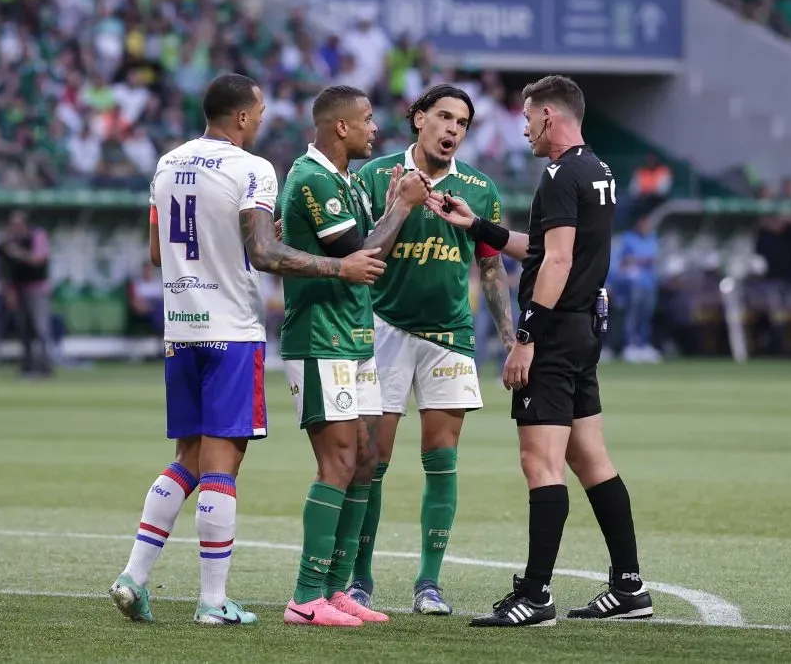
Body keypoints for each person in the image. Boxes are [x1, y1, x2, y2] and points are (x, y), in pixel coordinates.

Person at [108, 74, 386, 627]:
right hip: (231, 329)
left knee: (189, 456)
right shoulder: (253, 168)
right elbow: (262, 253)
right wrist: (339, 266)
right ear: (240, 117)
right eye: (258, 112)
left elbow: (158, 252)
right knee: (222, 462)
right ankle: (213, 602)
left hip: (181, 328)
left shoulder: (166, 164)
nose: (261, 120)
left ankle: (134, 577)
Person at [428, 75, 653, 626]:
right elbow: (547, 247)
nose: (524, 129)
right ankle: (630, 587)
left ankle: (535, 595)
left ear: (549, 115)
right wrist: (478, 226)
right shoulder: (597, 170)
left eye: (528, 118)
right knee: (589, 458)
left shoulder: (557, 174)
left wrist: (525, 338)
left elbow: (556, 261)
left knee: (540, 462)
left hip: (554, 334)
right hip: (583, 329)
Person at [345, 84, 514, 616]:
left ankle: (428, 583)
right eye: (444, 117)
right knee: (371, 461)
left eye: (462, 123)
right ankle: (360, 580)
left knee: (442, 459)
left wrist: (510, 340)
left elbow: (491, 267)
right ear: (419, 119)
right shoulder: (376, 177)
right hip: (384, 329)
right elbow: (360, 252)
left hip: (449, 336)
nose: (452, 130)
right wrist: (399, 205)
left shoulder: (479, 189)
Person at [278, 85, 431, 628]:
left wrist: (390, 208)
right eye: (366, 119)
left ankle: (336, 588)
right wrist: (403, 206)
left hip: (355, 338)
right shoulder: (313, 178)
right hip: (320, 339)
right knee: (339, 461)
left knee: (365, 460)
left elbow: (370, 246)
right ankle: (305, 596)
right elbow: (360, 255)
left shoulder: (345, 180)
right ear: (340, 127)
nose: (374, 128)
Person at [0, 211, 53, 377]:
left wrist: (18, 253)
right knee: (23, 329)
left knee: (40, 328)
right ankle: (28, 365)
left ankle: (44, 365)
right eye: (12, 224)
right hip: (18, 288)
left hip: (37, 288)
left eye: (17, 224)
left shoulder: (37, 235)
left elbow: (39, 259)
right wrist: (9, 291)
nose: (14, 228)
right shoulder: (9, 241)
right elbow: (3, 267)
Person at [618, 212, 661, 364]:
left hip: (650, 283)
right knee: (632, 316)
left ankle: (643, 345)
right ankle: (630, 345)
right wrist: (640, 260)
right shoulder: (628, 238)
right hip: (634, 283)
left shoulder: (653, 238)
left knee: (646, 316)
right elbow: (623, 260)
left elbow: (656, 259)